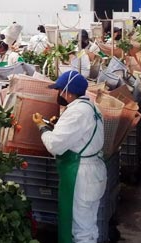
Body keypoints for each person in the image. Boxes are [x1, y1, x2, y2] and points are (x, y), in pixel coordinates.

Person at [32, 71, 106, 243]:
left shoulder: (76, 112)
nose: (59, 94)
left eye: (60, 90)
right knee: (88, 225)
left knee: (80, 230)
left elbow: (55, 146)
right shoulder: (91, 107)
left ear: (68, 92)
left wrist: (42, 127)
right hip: (93, 171)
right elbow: (80, 136)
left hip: (80, 174)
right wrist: (58, 125)